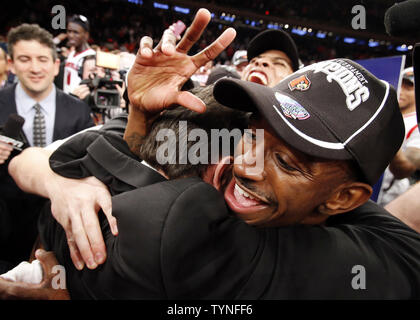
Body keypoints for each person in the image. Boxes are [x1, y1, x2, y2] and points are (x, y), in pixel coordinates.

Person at [3, 9, 420, 299]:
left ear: (342, 199)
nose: (244, 163)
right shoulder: (206, 123)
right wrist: (64, 180)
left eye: (288, 162)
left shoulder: (183, 230)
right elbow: (33, 160)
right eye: (254, 134)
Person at [0, 23, 94, 267]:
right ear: (11, 64)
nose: (34, 68)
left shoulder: (78, 110)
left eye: (42, 59)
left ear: (55, 66)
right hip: (4, 230)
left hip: (59, 234)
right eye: (24, 59)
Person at [377, 67, 420, 206]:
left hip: (386, 198)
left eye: (409, 87)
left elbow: (405, 169)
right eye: (400, 84)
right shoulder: (383, 110)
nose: (402, 90)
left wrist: (388, 130)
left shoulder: (416, 124)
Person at [62, 15, 96, 94]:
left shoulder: (90, 57)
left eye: (75, 32)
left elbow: (90, 88)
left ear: (86, 35)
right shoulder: (72, 54)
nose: (71, 35)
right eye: (69, 31)